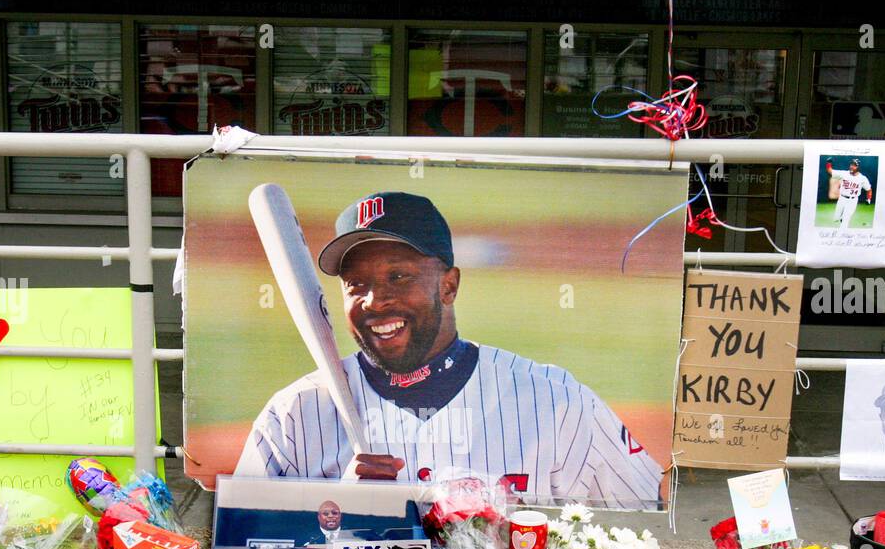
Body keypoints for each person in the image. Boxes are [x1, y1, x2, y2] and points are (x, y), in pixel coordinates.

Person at [235, 191, 664, 508]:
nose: (374, 300)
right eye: (356, 285)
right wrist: (329, 513)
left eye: (398, 277)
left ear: (449, 285)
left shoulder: (557, 402)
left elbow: (648, 527)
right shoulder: (293, 415)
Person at [826, 158, 872, 231]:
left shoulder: (862, 178)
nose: (852, 166)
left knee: (845, 220)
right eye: (851, 164)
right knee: (836, 218)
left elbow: (869, 189)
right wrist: (828, 163)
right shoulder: (844, 173)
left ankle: (842, 234)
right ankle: (840, 218)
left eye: (854, 165)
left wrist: (868, 199)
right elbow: (830, 171)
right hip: (842, 198)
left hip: (852, 201)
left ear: (858, 167)